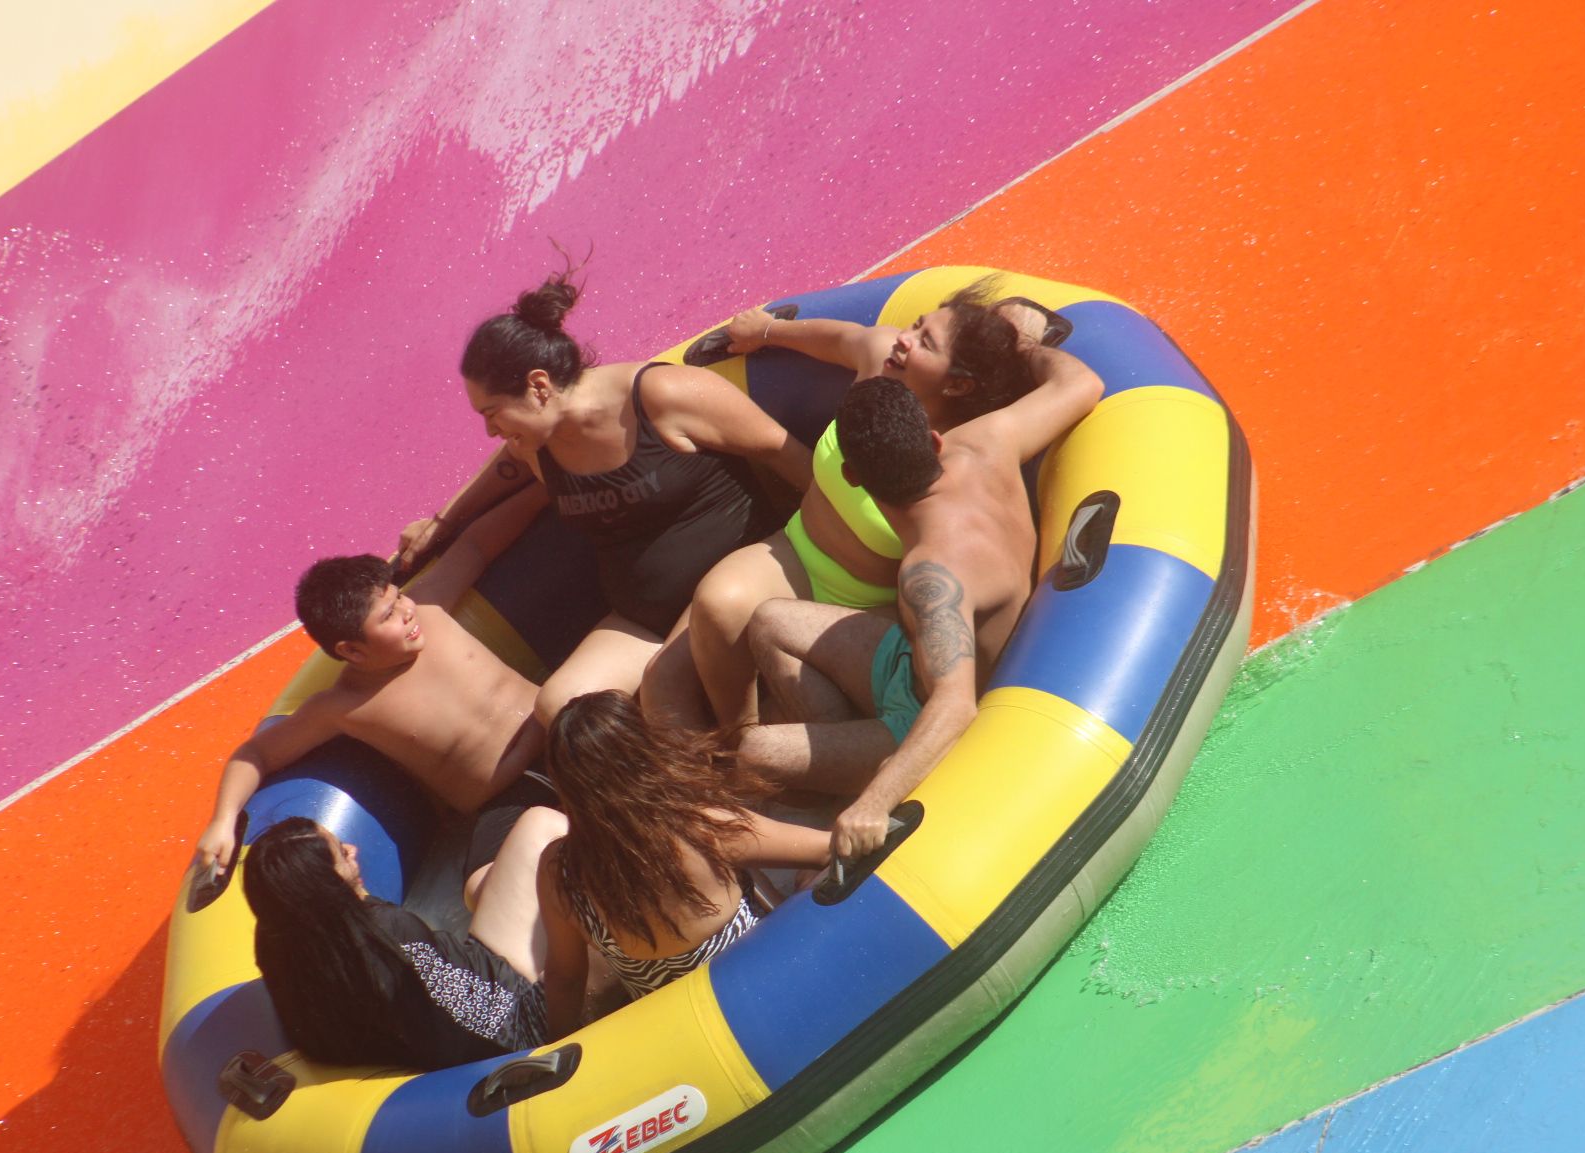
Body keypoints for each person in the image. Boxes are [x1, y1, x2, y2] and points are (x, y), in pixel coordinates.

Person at [395, 266, 812, 727]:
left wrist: (825, 553)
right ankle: (696, 772)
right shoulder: (536, 446)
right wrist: (444, 522)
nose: (491, 430)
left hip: (738, 577)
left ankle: (745, 756)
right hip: (644, 620)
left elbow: (786, 453)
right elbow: (501, 472)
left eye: (493, 412)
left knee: (665, 687)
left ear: (539, 386)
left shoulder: (661, 396)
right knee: (559, 706)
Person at [658, 279, 1070, 735]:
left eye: (926, 342)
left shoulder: (972, 443)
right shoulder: (883, 361)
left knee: (788, 716)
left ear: (958, 384)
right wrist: (767, 331)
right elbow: (840, 338)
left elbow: (1079, 386)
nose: (904, 338)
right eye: (916, 325)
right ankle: (737, 734)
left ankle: (794, 743)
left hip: (878, 605)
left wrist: (1024, 349)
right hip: (796, 552)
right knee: (709, 616)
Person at [740, 353, 1103, 866]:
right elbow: (1082, 381)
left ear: (851, 477)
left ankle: (849, 791)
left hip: (928, 718)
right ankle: (840, 772)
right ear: (933, 439)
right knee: (770, 620)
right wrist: (1026, 342)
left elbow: (955, 706)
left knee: (753, 752)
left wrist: (873, 804)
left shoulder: (929, 576)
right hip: (914, 664)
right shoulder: (987, 440)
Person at [192, 478, 552, 873]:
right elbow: (256, 753)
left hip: (561, 733)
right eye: (388, 616)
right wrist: (223, 820)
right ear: (352, 651)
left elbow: (475, 546)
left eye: (398, 598)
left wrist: (544, 489)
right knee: (478, 886)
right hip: (507, 797)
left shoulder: (429, 605)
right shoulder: (344, 706)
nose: (406, 612)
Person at [533, 691, 831, 1033]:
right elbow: (827, 850)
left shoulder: (561, 874)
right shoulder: (702, 829)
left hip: (687, 1028)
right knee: (786, 875)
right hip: (767, 993)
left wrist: (556, 1043)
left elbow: (566, 980)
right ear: (643, 754)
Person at [243, 810, 562, 1069]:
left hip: (476, 982)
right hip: (517, 1014)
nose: (353, 849)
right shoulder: (388, 935)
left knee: (537, 823)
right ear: (327, 886)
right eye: (341, 853)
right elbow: (480, 1027)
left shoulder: (278, 945)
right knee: (544, 826)